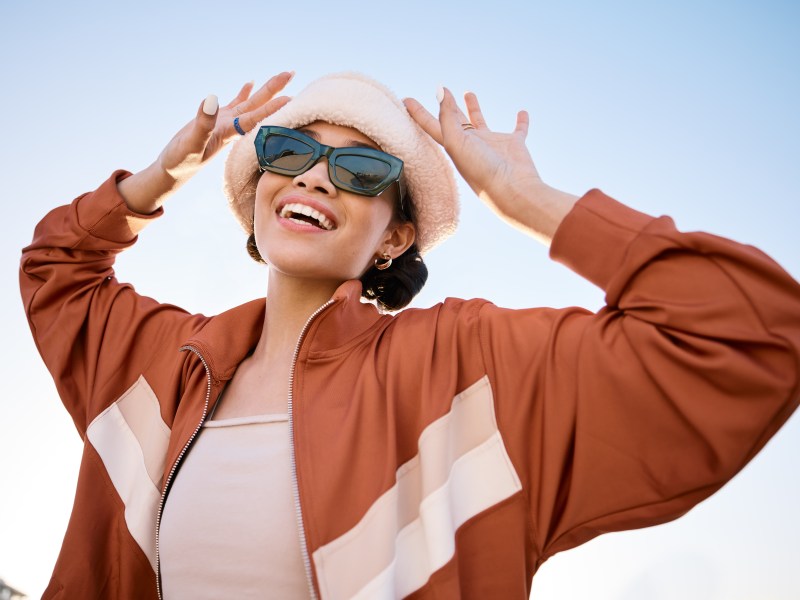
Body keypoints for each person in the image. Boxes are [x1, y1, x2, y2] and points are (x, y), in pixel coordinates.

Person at [19, 70, 800, 600]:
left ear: (395, 238)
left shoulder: (464, 367)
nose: (315, 176)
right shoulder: (160, 363)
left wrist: (523, 198)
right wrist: (163, 173)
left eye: (360, 170)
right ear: (259, 189)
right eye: (288, 153)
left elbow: (750, 331)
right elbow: (57, 265)